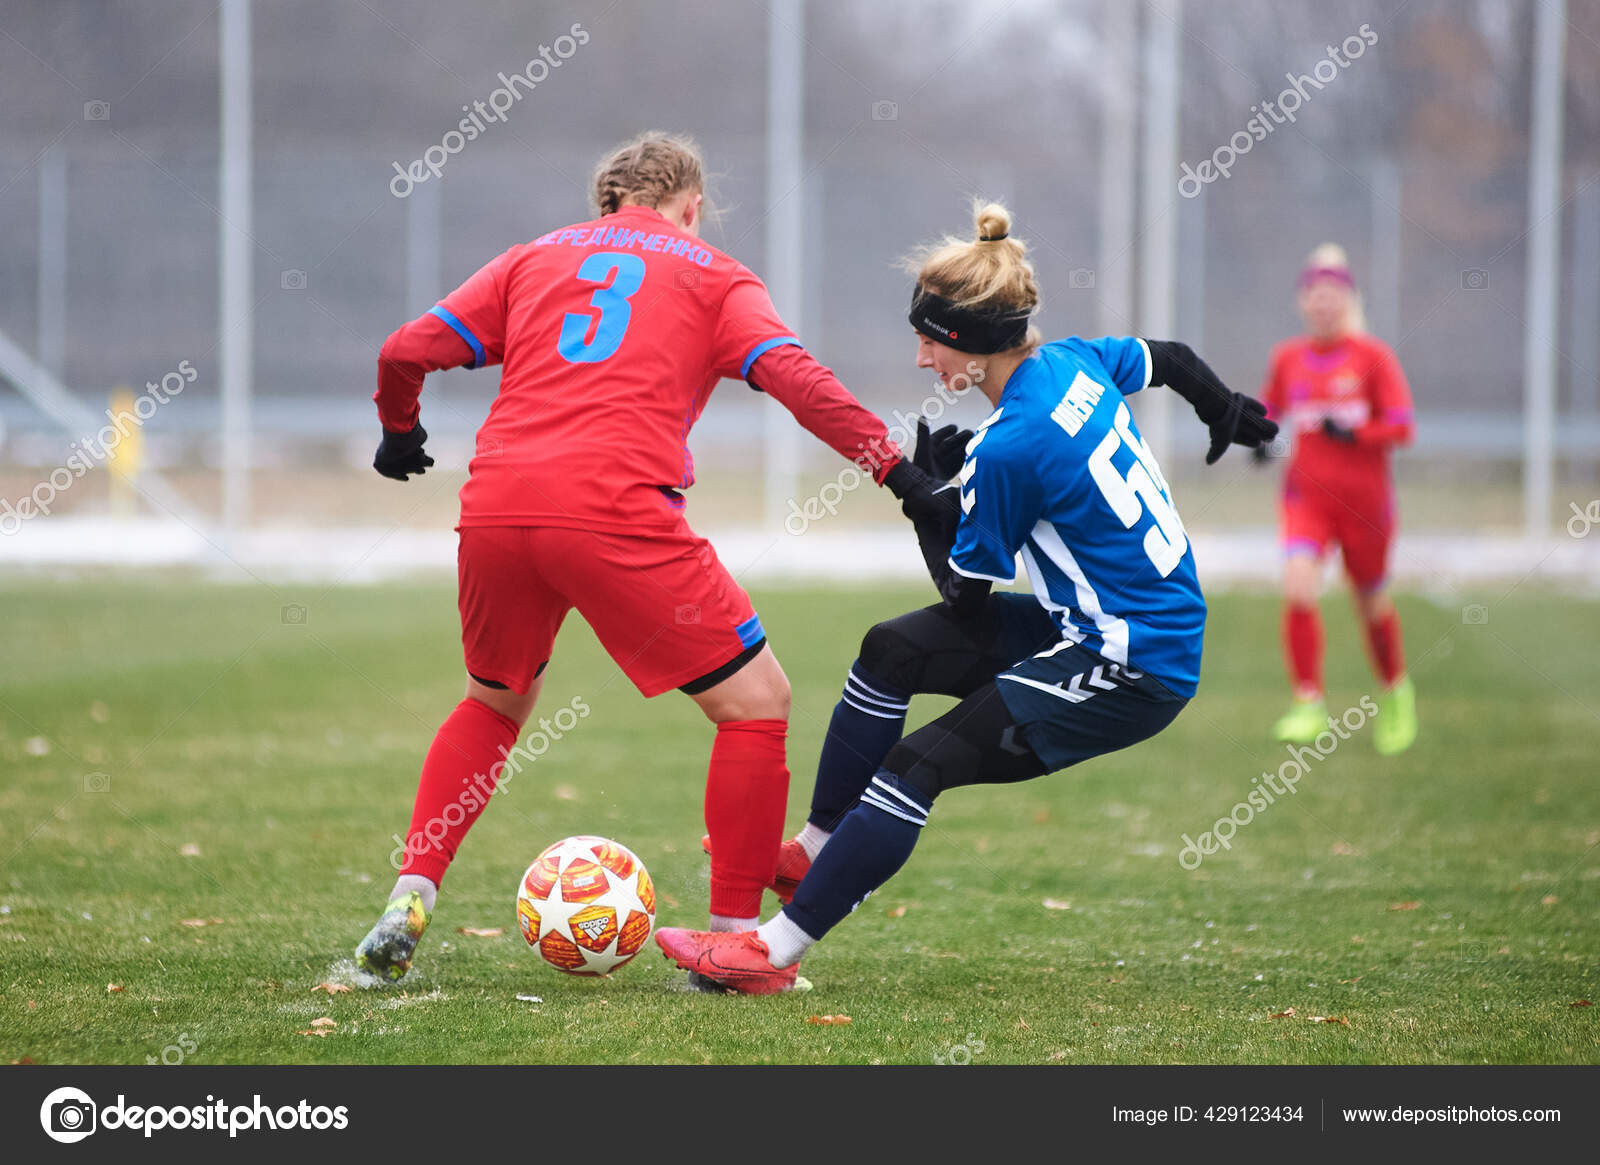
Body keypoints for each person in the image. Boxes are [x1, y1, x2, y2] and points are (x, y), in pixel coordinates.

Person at [353, 132, 945, 982]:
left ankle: (411, 891)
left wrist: (398, 428)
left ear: (607, 202)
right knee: (756, 701)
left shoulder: (532, 259)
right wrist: (899, 472)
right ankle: (735, 943)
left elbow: (405, 350)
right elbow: (795, 378)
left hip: (495, 505)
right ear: (691, 207)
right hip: (612, 510)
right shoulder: (711, 272)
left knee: (494, 701)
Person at [656, 201, 1277, 993]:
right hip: (1086, 625)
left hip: (1132, 662)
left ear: (973, 345)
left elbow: (965, 594)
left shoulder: (1014, 443)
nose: (921, 358)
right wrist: (1222, 407)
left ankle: (768, 952)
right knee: (892, 649)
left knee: (921, 761)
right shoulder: (1073, 363)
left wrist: (927, 502)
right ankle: (812, 850)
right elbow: (1173, 357)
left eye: (928, 339)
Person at [1257, 244, 1417, 755]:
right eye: (1314, 295)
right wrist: (1259, 438)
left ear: (1347, 300)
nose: (1323, 304)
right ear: (1303, 301)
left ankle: (1395, 691)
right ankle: (1308, 703)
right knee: (1299, 587)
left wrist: (1355, 434)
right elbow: (1270, 409)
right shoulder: (1288, 357)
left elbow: (1402, 426)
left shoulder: (1373, 357)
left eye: (1333, 295)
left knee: (1370, 602)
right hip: (1307, 499)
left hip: (1365, 505)